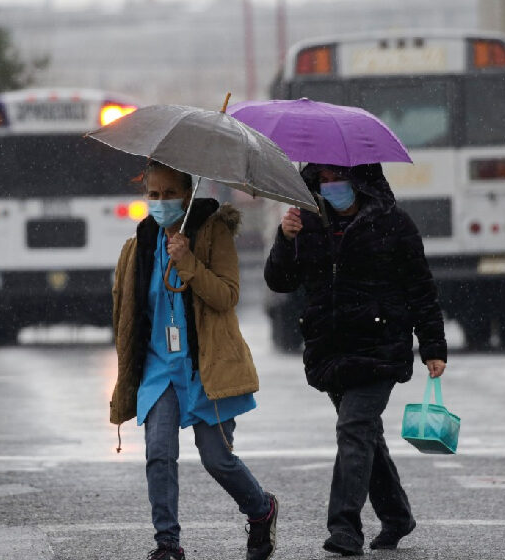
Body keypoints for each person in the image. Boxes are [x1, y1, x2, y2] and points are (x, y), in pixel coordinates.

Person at [264, 162, 447, 556]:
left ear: (361, 178)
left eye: (338, 177)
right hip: (330, 348)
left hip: (379, 345)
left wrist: (433, 346)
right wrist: (284, 238)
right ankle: (397, 515)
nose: (331, 186)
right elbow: (280, 281)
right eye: (323, 179)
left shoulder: (393, 222)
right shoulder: (306, 221)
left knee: (353, 428)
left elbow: (421, 287)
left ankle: (345, 527)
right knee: (363, 434)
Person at [111, 160, 278, 560]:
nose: (161, 202)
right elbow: (125, 312)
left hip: (205, 368)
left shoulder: (212, 233)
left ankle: (261, 510)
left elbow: (225, 296)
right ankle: (167, 543)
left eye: (170, 194)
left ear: (187, 195)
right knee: (159, 454)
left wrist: (187, 262)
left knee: (217, 459)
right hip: (159, 370)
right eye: (154, 195)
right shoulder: (138, 246)